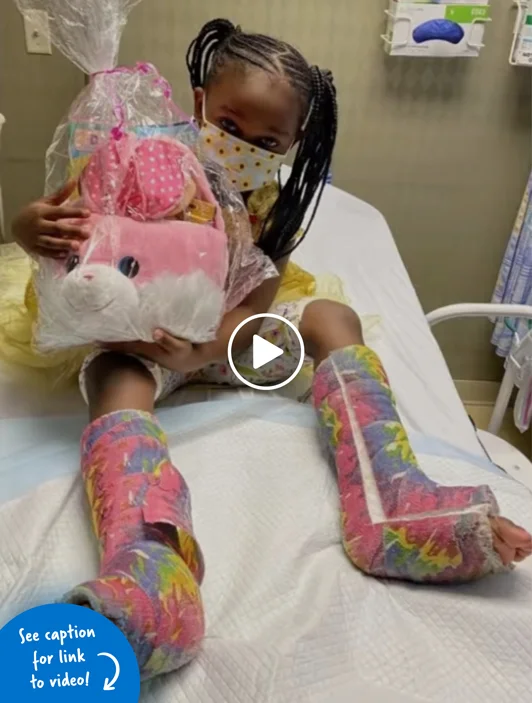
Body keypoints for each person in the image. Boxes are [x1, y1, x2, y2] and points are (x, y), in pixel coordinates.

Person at [6, 18, 532, 680]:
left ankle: (392, 503)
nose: (244, 148)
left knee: (333, 315)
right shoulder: (149, 170)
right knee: (114, 374)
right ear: (198, 104)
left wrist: (202, 353)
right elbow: (85, 248)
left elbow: (255, 315)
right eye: (229, 123)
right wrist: (31, 230)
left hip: (235, 346)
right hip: (144, 341)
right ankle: (153, 569)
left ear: (292, 145)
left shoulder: (274, 210)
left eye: (268, 142)